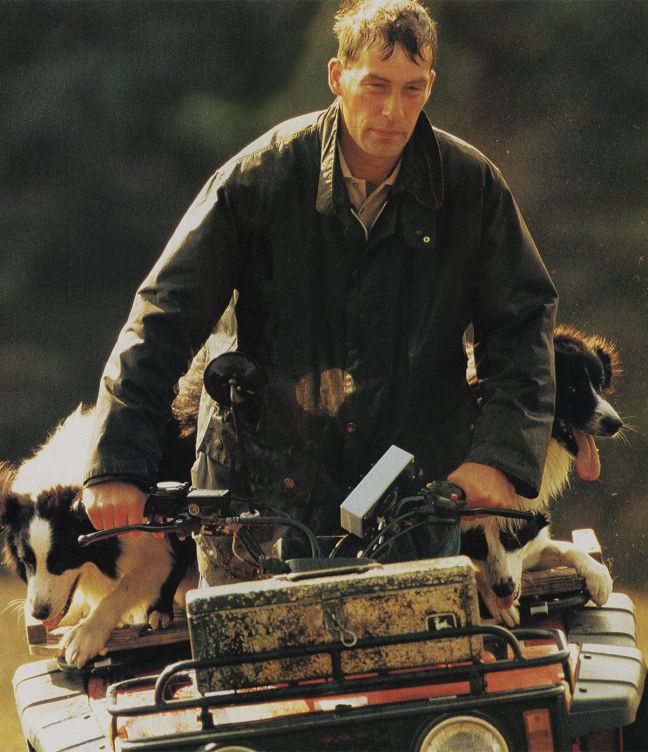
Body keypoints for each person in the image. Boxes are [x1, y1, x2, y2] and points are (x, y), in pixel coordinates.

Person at [82, 0, 557, 584]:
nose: (393, 110)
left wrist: (497, 460)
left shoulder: (471, 186)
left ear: (430, 85)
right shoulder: (259, 177)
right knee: (247, 643)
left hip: (413, 498)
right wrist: (117, 463)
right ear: (337, 76)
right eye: (376, 85)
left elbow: (522, 324)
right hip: (258, 500)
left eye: (412, 89)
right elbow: (164, 316)